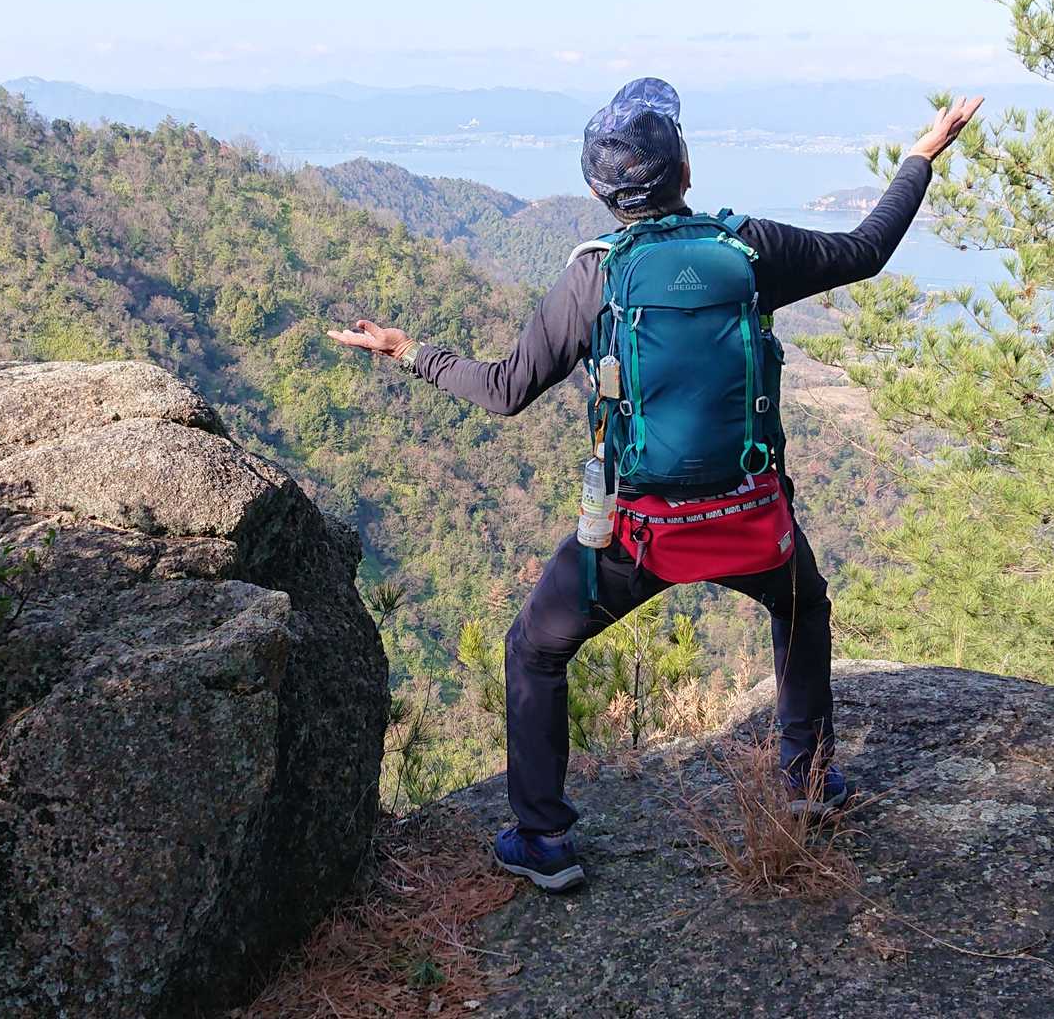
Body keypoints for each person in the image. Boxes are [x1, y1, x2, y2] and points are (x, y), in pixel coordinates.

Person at [329, 78, 981, 893]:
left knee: (535, 648)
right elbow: (867, 250)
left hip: (638, 537)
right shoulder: (749, 249)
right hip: (752, 520)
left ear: (600, 194)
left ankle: (544, 839)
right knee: (802, 603)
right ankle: (807, 782)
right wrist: (921, 156)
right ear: (686, 172)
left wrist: (406, 352)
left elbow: (503, 389)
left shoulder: (594, 276)